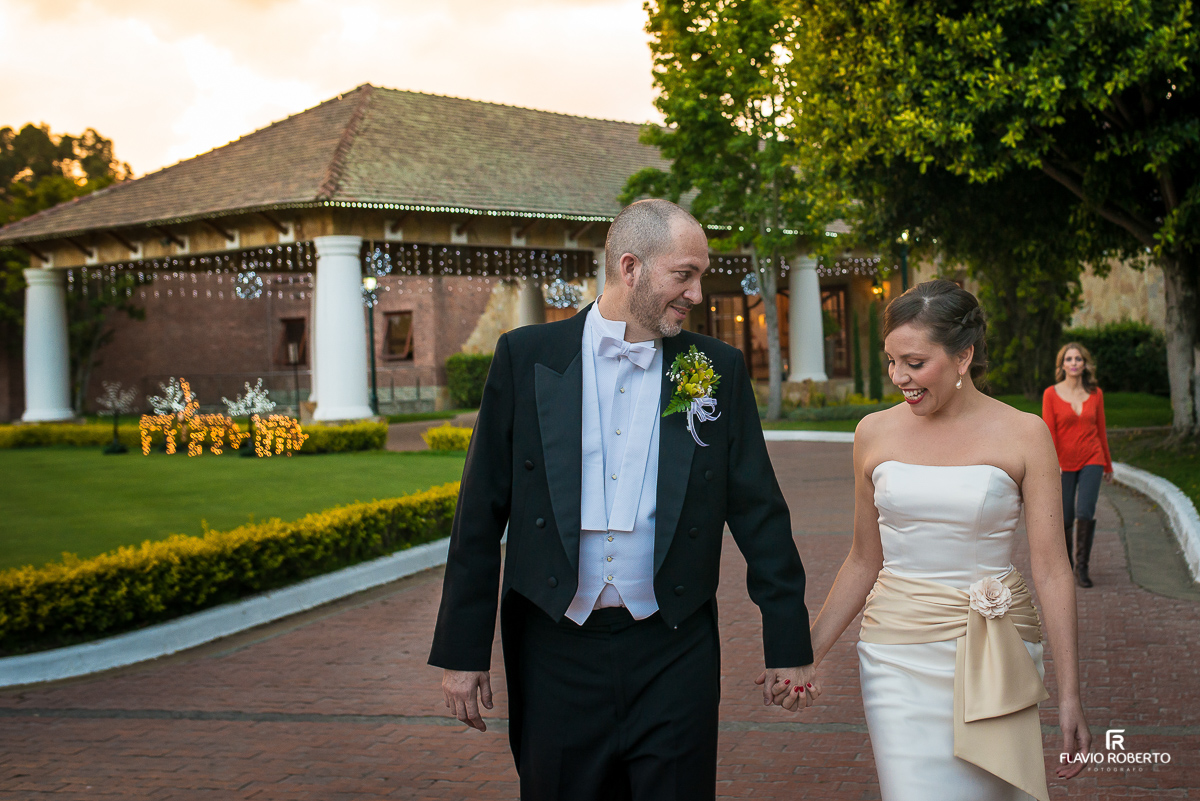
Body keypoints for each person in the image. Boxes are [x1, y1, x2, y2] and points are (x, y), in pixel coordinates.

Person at [428, 198, 818, 801]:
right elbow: (479, 514)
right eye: (683, 274)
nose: (696, 292)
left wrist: (788, 644)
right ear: (630, 266)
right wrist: (462, 652)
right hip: (553, 648)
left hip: (674, 645)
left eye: (701, 276)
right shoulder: (526, 356)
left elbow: (759, 511)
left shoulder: (714, 368)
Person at [781, 281, 1089, 801]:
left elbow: (1053, 570)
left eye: (915, 362)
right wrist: (807, 652)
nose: (899, 377)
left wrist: (1070, 696)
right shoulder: (873, 433)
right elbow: (862, 560)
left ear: (964, 355)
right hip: (896, 656)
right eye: (891, 361)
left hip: (996, 654)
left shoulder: (1024, 434)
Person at [1042, 343, 1113, 588]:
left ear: (1085, 364)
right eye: (1069, 359)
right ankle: (1067, 567)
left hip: (1092, 458)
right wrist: (1053, 463)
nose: (1074, 363)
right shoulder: (1051, 394)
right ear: (1062, 365)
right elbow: (1049, 432)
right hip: (1063, 463)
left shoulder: (1096, 394)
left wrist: (1108, 465)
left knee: (1085, 512)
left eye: (1078, 359)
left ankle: (1082, 568)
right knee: (1065, 517)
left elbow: (1100, 429)